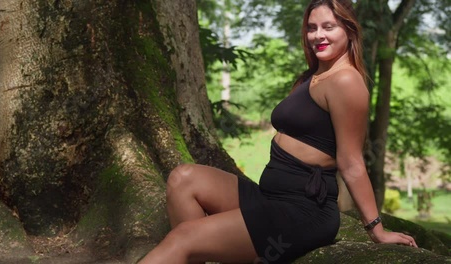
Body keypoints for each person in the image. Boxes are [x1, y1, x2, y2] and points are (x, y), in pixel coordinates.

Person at [139, 0, 417, 263]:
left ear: (349, 29)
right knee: (183, 179)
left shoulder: (346, 81)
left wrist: (376, 230)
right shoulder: (313, 76)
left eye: (328, 27)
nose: (318, 35)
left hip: (302, 212)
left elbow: (351, 160)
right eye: (312, 27)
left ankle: (185, 248)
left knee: (183, 237)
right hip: (269, 198)